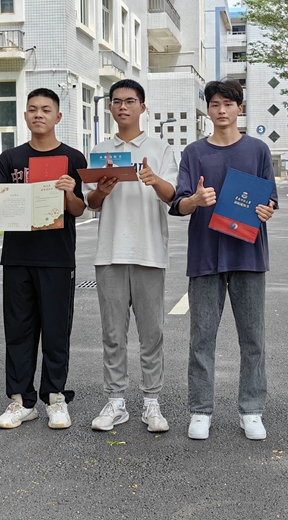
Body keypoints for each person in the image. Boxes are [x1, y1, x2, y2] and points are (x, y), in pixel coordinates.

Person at [169, 78, 277, 441]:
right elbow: (179, 204)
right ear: (208, 110)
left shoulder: (258, 150)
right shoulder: (194, 153)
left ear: (239, 108)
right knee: (201, 338)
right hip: (205, 255)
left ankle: (252, 410)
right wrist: (195, 200)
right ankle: (200, 411)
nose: (222, 110)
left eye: (228, 104)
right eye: (215, 104)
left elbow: (269, 200)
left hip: (248, 254)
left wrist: (266, 210)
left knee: (253, 338)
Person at [0, 88, 87, 429]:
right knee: (18, 330)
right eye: (32, 109)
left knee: (56, 331)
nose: (38, 114)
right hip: (18, 257)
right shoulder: (10, 159)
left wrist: (69, 193)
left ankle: (55, 398)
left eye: (45, 109)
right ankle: (21, 401)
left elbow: (80, 209)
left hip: (57, 257)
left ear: (58, 116)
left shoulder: (73, 158)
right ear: (25, 115)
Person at [83, 79, 178, 433]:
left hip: (149, 251)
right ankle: (116, 401)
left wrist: (153, 180)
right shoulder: (100, 150)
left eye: (130, 101)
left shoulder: (160, 148)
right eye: (117, 101)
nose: (123, 106)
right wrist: (102, 191)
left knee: (152, 333)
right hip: (109, 252)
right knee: (113, 332)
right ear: (109, 107)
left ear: (142, 107)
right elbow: (91, 202)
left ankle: (152, 401)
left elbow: (173, 195)